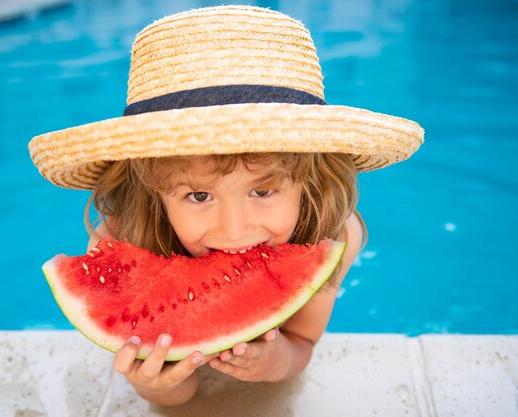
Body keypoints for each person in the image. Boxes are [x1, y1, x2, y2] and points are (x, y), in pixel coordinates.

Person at [29, 5, 424, 407]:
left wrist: (277, 360)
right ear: (152, 191)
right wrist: (157, 385)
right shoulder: (124, 235)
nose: (234, 230)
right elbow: (175, 397)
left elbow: (302, 343)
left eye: (263, 191)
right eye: (199, 196)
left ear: (311, 180)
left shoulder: (337, 232)